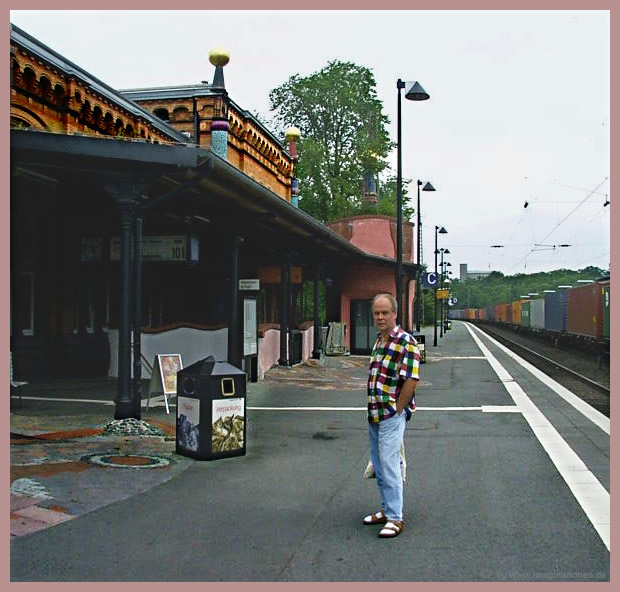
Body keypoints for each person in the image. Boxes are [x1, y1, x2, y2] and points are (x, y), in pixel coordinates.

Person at [363, 293, 420, 538]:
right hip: (374, 414)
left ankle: (396, 518)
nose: (380, 317)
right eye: (377, 313)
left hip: (389, 415)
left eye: (385, 312)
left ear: (395, 314)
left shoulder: (406, 342)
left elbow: (411, 380)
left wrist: (397, 409)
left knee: (389, 464)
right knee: (380, 464)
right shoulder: (379, 341)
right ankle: (386, 510)